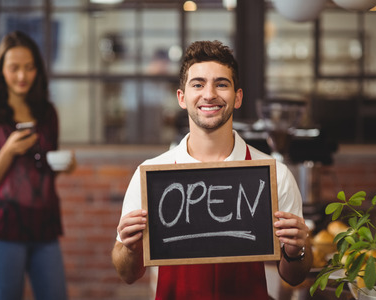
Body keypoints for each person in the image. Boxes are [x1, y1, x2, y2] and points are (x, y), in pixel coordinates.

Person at [111, 40, 312, 299]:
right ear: (182, 98)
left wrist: (297, 250)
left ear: (237, 97)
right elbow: (127, 274)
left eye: (221, 84)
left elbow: (294, 276)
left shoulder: (274, 175)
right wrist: (129, 247)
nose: (209, 94)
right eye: (198, 84)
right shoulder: (150, 175)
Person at [0, 31, 75, 300]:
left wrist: (65, 165)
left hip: (44, 226)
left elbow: (44, 167)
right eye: (14, 68)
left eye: (29, 67)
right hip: (3, 229)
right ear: (1, 70)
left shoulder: (47, 113)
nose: (22, 76)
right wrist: (8, 151)